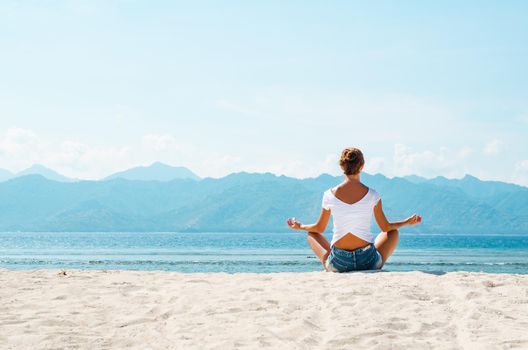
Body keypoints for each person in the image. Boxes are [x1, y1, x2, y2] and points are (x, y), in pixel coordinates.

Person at [287, 147, 422, 272]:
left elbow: (319, 228)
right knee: (393, 233)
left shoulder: (329, 195)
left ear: (341, 167)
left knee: (312, 234)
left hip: (339, 263)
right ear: (362, 167)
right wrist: (406, 222)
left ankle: (329, 266)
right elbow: (386, 227)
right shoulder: (373, 195)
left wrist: (301, 226)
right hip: (368, 261)